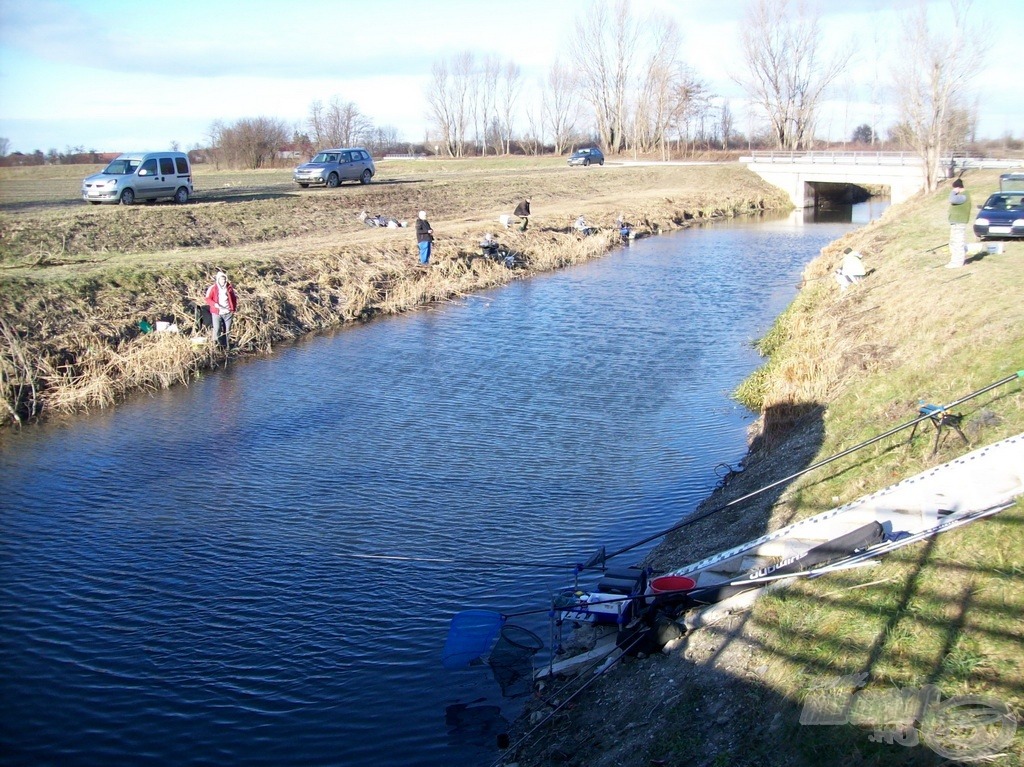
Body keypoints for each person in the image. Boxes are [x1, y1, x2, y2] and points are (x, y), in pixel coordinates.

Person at [205, 270, 238, 348]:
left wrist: (233, 309)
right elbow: (207, 299)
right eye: (221, 279)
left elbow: (234, 299)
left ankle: (227, 346)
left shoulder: (229, 288)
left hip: (228, 312)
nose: (223, 281)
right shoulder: (213, 288)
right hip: (217, 312)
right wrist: (214, 304)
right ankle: (216, 346)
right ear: (218, 280)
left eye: (224, 279)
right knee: (217, 329)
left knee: (228, 330)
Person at [947, 178, 972, 269]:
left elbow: (952, 199)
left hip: (959, 223)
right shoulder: (962, 196)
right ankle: (954, 260)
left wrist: (953, 192)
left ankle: (957, 262)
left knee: (958, 243)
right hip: (956, 223)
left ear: (958, 187)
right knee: (954, 243)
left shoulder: (963, 196)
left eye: (955, 188)